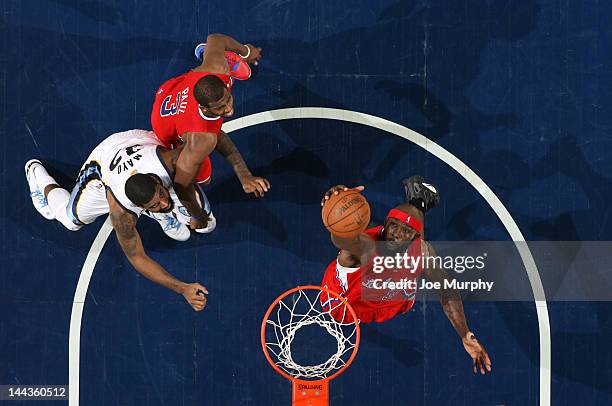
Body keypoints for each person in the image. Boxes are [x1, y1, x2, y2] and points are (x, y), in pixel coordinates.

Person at [320, 176, 492, 374]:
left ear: (416, 238)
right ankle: (419, 202)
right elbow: (342, 240)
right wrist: (336, 207)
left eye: (406, 231)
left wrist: (464, 333)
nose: (396, 234)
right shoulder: (364, 247)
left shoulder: (422, 248)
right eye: (393, 225)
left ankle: (418, 202)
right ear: (385, 223)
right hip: (346, 302)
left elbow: (446, 288)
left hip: (390, 298)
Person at [25, 129, 209, 311]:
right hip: (102, 163)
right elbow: (137, 257)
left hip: (136, 140)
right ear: (136, 208)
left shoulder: (170, 161)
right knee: (69, 220)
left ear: (156, 181)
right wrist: (182, 288)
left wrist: (199, 215)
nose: (164, 202)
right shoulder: (121, 214)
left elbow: (206, 140)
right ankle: (37, 177)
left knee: (206, 224)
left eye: (162, 194)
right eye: (154, 205)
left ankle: (159, 207)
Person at [151, 33, 270, 231]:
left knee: (214, 56)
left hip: (176, 87)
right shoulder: (201, 139)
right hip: (164, 122)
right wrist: (197, 215)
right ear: (206, 109)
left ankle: (212, 56)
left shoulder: (217, 70)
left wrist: (247, 52)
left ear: (224, 84)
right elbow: (181, 185)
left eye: (228, 100)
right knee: (203, 179)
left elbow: (215, 39)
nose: (229, 110)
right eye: (221, 108)